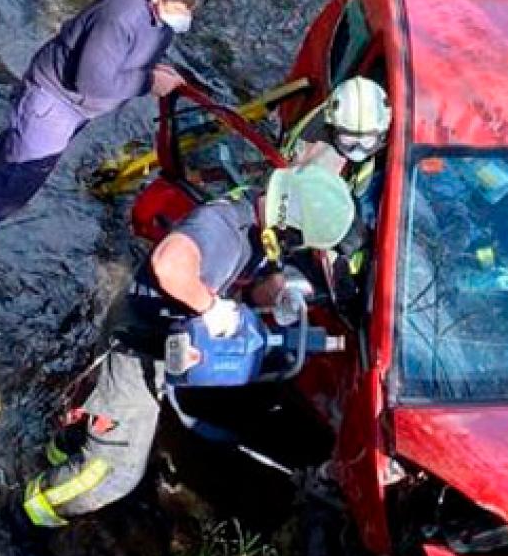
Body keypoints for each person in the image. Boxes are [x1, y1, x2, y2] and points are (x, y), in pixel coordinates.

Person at [21, 163, 356, 527]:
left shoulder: (259, 227)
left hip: (161, 340)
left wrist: (275, 292)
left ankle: (62, 451)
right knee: (113, 473)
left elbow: (250, 278)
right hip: (137, 346)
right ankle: (27, 513)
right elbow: (169, 265)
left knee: (100, 428)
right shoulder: (223, 228)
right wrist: (211, 308)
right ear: (289, 224)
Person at [0, 0, 207, 294]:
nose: (184, 17)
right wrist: (147, 82)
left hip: (71, 108)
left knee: (11, 161)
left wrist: (155, 71)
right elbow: (91, 83)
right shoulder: (121, 17)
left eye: (190, 9)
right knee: (17, 182)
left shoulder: (159, 6)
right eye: (179, 8)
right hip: (54, 101)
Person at [281, 76, 392, 290]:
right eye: (349, 141)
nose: (357, 150)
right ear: (333, 129)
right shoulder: (317, 160)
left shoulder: (346, 123)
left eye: (367, 141)